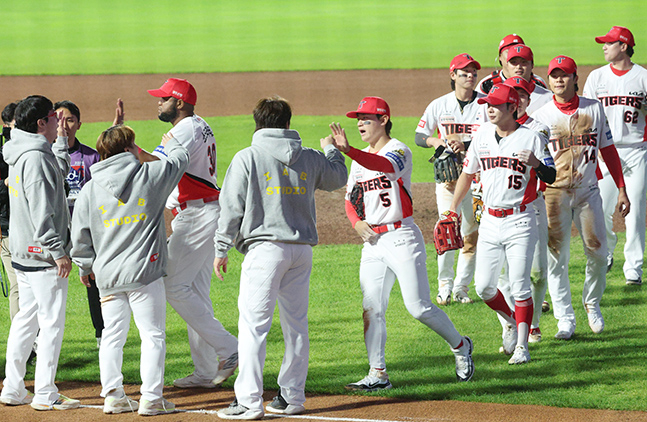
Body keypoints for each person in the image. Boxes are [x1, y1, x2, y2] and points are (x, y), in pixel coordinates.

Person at [214, 96, 347, 420]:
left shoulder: (248, 157)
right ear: (288, 123)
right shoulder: (310, 157)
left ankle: (247, 401)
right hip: (301, 252)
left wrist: (220, 247)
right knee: (296, 326)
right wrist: (333, 149)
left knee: (253, 327)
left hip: (265, 252)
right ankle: (291, 397)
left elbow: (231, 207)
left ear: (257, 122)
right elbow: (337, 178)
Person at [337, 96, 474, 390]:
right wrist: (356, 223)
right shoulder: (359, 160)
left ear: (383, 119)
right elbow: (351, 199)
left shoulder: (399, 150)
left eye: (366, 118)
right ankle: (378, 373)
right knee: (371, 307)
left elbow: (384, 166)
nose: (359, 123)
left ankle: (461, 346)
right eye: (357, 118)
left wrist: (349, 151)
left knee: (419, 307)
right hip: (372, 242)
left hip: (401, 237)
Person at [71, 125, 188, 415]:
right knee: (152, 335)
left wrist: (85, 265)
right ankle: (150, 398)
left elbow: (80, 235)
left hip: (107, 276)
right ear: (129, 149)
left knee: (112, 335)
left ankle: (113, 396)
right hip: (144, 274)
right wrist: (171, 143)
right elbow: (180, 160)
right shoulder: (149, 176)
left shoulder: (90, 188)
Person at [448, 84, 556, 365]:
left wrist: (536, 164)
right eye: (488, 104)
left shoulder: (532, 138)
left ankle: (522, 346)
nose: (490, 109)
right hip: (489, 222)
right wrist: (452, 209)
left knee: (520, 285)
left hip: (521, 219)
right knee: (484, 287)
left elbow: (551, 174)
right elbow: (467, 174)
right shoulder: (482, 135)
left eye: (496, 105)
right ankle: (511, 321)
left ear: (513, 108)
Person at [145, 78, 238, 389]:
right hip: (204, 211)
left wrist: (125, 151)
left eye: (164, 99)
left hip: (199, 215)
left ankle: (229, 348)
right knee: (195, 293)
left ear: (179, 103)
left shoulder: (185, 128)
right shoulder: (199, 124)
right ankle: (204, 370)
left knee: (172, 285)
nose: (158, 103)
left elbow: (157, 165)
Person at [533, 56, 630, 340]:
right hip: (554, 194)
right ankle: (565, 319)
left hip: (588, 192)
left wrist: (621, 187)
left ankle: (592, 302)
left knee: (599, 253)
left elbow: (608, 149)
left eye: (565, 75)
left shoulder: (594, 109)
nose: (559, 81)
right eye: (554, 76)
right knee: (556, 259)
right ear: (549, 80)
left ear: (576, 78)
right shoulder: (542, 115)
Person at [0, 95, 80, 410]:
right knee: (50, 325)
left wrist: (60, 141)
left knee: (24, 322)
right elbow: (42, 210)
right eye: (53, 117)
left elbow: (57, 175)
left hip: (22, 253)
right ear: (40, 123)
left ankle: (13, 389)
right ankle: (45, 392)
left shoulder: (21, 151)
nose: (59, 121)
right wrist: (58, 251)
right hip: (43, 256)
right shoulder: (36, 158)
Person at [415, 54, 485, 305]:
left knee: (471, 233)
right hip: (449, 180)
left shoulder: (487, 105)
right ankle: (444, 285)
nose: (470, 76)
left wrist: (464, 144)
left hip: (479, 181)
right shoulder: (439, 105)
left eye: (473, 72)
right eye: (464, 72)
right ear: (453, 75)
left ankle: (462, 287)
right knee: (447, 228)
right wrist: (436, 141)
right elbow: (419, 135)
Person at [583, 26, 647, 286]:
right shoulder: (596, 78)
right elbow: (586, 119)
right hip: (603, 152)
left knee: (636, 211)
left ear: (623, 46)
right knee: (602, 208)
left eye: (608, 43)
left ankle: (634, 268)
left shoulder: (643, 77)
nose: (603, 47)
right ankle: (607, 252)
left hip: (636, 151)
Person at [497, 77, 552, 344]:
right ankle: (512, 325)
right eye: (513, 94)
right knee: (504, 274)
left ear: (529, 100)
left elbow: (547, 170)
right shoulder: (491, 128)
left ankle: (534, 324)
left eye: (522, 95)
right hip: (499, 208)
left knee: (538, 271)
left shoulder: (538, 129)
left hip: (533, 205)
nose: (517, 100)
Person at [53, 100, 104, 348]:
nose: (65, 125)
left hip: (86, 229)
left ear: (79, 124)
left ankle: (101, 334)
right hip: (58, 229)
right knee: (51, 285)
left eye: (70, 119)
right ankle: (41, 341)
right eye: (60, 119)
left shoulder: (91, 156)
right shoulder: (47, 156)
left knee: (93, 282)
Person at [477, 34, 547, 95]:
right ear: (500, 57)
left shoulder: (538, 83)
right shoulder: (487, 85)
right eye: (509, 51)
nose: (515, 52)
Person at [1, 102, 19, 320]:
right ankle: (22, 344)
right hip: (7, 230)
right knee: (17, 286)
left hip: (33, 230)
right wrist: (7, 182)